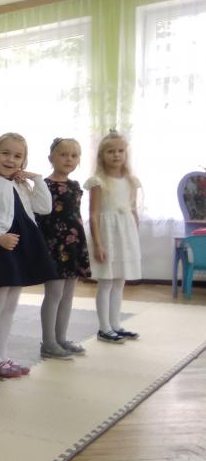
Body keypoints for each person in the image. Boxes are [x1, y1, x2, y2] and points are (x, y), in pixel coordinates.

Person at [0, 132, 56, 378]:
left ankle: (1, 356)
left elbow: (44, 207)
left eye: (18, 156)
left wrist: (37, 179)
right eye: (5, 153)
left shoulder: (20, 183)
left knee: (10, 305)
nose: (11, 160)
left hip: (18, 249)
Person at [36, 138, 92, 359]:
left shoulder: (75, 186)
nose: (69, 159)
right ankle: (48, 342)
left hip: (74, 244)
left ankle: (61, 338)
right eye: (63, 154)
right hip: (53, 245)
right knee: (54, 294)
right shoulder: (44, 185)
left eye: (74, 155)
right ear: (51, 158)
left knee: (68, 295)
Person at [85, 130, 141, 343]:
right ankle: (104, 328)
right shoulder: (98, 181)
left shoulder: (131, 181)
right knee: (106, 281)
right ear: (102, 155)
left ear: (126, 154)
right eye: (111, 151)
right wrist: (98, 244)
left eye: (120, 151)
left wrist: (133, 237)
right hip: (107, 236)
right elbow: (94, 214)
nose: (116, 155)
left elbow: (133, 210)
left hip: (125, 236)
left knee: (119, 281)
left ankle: (116, 324)